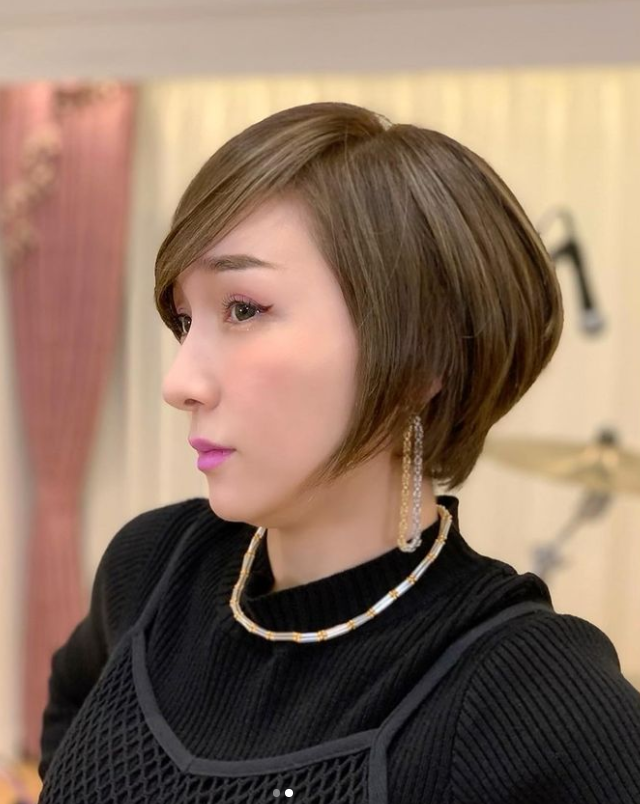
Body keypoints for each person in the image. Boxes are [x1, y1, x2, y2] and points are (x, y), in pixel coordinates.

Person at [37, 102, 640, 803]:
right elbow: (70, 719)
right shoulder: (152, 569)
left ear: (420, 357)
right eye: (185, 319)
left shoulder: (527, 691)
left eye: (243, 309)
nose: (180, 383)